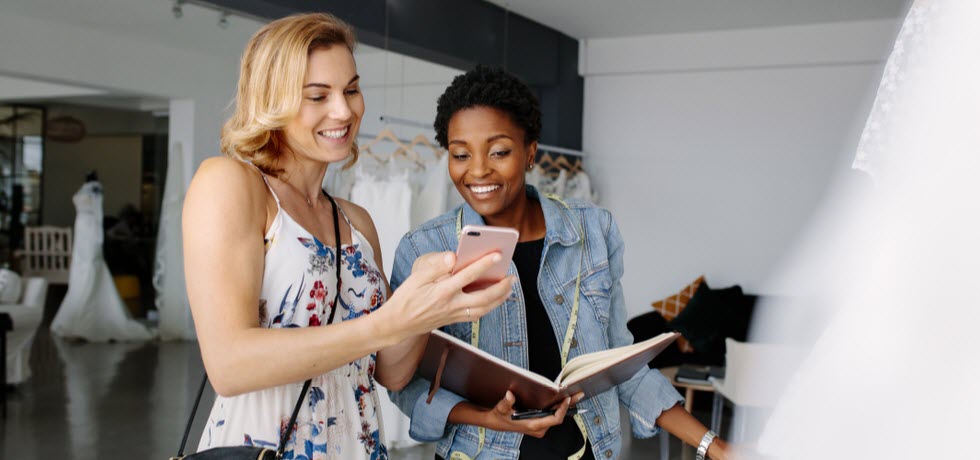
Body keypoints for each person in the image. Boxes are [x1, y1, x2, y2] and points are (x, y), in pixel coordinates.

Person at [181, 14, 513, 459]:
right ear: (270, 100)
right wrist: (386, 322)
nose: (344, 111)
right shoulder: (231, 184)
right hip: (264, 450)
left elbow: (390, 374)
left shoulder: (356, 222)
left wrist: (423, 301)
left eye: (351, 90)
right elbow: (229, 364)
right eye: (318, 95)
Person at [388, 66, 730, 460]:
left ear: (531, 151)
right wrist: (485, 417)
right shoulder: (424, 249)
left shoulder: (592, 231)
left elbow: (624, 368)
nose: (478, 170)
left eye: (498, 151)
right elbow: (404, 383)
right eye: (460, 154)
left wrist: (714, 447)